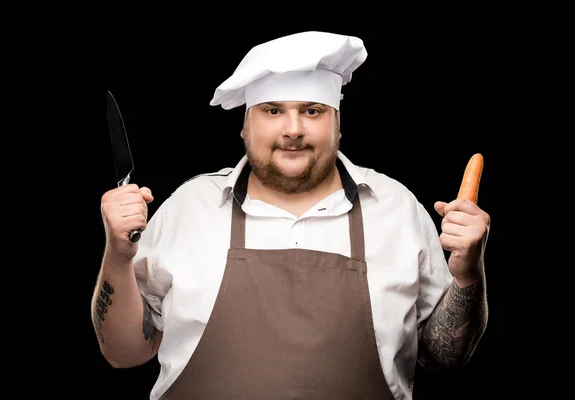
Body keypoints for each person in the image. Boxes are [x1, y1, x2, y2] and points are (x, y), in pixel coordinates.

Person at [92, 31, 490, 400]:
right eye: (273, 110)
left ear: (338, 125)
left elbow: (443, 357)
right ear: (246, 126)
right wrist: (118, 253)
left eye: (313, 110)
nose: (293, 129)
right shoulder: (189, 208)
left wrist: (469, 275)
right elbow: (125, 353)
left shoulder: (396, 209)